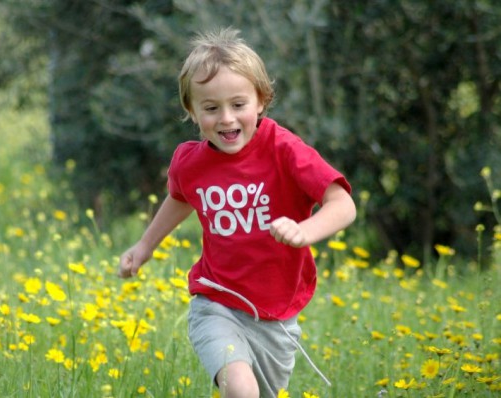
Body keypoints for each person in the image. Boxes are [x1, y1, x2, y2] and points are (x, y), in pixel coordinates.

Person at [118, 27, 356, 398]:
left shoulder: (284, 149)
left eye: (238, 105)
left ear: (261, 100)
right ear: (192, 111)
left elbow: (342, 203)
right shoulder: (190, 163)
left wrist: (305, 231)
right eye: (211, 108)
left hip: (277, 317)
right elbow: (181, 197)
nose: (226, 119)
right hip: (215, 303)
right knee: (241, 390)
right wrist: (145, 246)